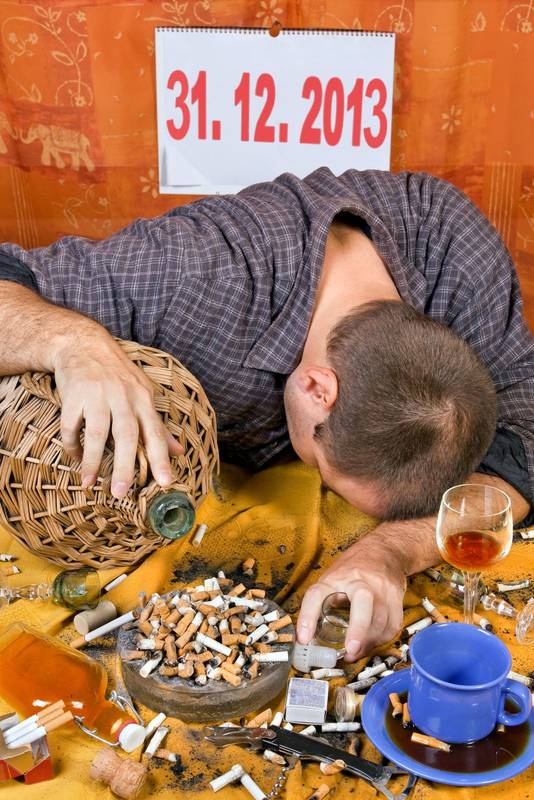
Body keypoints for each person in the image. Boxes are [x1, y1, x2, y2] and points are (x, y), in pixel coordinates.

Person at [0, 167, 532, 660]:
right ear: (317, 389)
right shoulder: (199, 273)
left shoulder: (456, 255)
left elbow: (526, 434)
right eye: (325, 469)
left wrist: (391, 548)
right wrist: (72, 343)